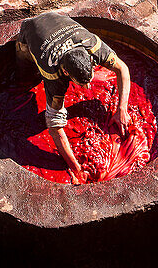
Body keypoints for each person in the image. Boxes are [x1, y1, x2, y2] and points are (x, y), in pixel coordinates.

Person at [16, 12, 131, 182]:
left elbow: (123, 69)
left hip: (57, 18)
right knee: (24, 78)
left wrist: (122, 109)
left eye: (89, 80)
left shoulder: (92, 46)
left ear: (90, 59)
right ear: (65, 72)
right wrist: (76, 167)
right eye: (80, 84)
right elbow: (55, 126)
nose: (87, 88)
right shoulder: (53, 73)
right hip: (31, 29)